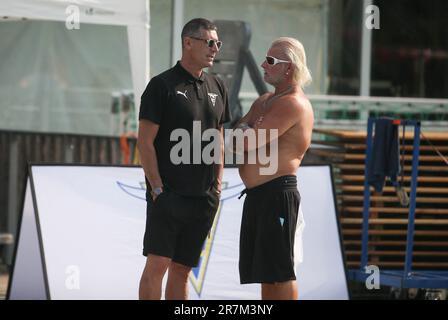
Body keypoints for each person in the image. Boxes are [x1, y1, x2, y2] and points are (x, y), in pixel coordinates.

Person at [137, 18, 231, 300]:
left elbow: (219, 139)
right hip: (169, 194)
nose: (215, 48)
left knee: (182, 269)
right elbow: (145, 142)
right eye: (209, 42)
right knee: (158, 265)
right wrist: (157, 189)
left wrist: (217, 185)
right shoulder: (161, 85)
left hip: (203, 198)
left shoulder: (218, 86)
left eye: (218, 43)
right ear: (188, 43)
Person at [234, 37, 314, 300]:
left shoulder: (293, 103)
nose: (262, 64)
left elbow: (245, 141)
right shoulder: (266, 100)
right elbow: (239, 131)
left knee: (281, 272)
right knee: (266, 274)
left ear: (288, 68)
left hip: (278, 195)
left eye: (270, 61)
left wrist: (246, 132)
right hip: (259, 196)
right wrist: (245, 132)